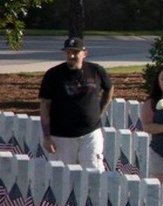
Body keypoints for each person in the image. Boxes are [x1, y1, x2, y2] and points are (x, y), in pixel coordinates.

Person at [38, 37, 113, 169]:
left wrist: (100, 110)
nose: (71, 56)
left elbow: (109, 88)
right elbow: (45, 105)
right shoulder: (53, 75)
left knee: (94, 173)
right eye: (68, 52)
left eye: (75, 52)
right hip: (62, 136)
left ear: (84, 53)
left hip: (90, 133)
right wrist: (46, 136)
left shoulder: (96, 71)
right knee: (63, 178)